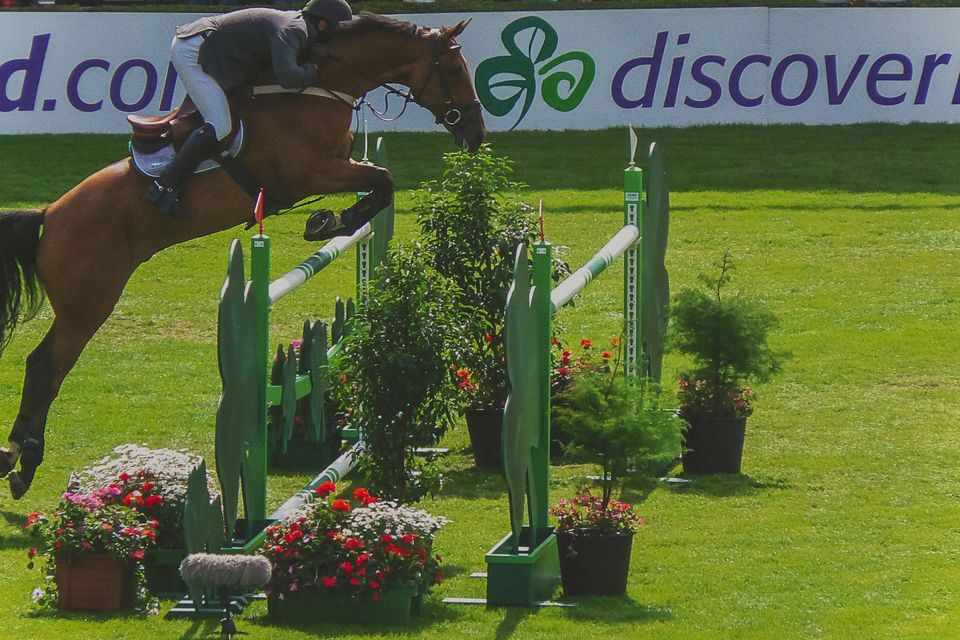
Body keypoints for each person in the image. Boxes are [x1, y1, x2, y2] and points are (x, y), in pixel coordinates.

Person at [146, 0, 353, 219]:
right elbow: (289, 78)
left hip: (212, 47)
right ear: (322, 25)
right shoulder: (294, 30)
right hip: (192, 51)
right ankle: (164, 186)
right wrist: (313, 68)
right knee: (221, 125)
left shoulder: (297, 26)